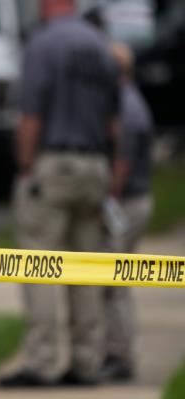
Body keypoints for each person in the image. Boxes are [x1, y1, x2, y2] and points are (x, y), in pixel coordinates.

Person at [0, 0, 121, 387]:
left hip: (54, 163)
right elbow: (114, 119)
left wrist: (25, 166)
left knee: (40, 265)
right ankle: (87, 361)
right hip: (95, 165)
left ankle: (42, 362)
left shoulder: (44, 43)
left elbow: (31, 112)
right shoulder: (101, 46)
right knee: (86, 270)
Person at [102, 42, 154, 382]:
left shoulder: (126, 107)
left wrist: (108, 201)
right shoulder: (130, 101)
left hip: (127, 203)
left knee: (113, 282)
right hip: (133, 200)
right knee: (112, 281)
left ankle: (120, 356)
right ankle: (115, 351)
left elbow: (121, 164)